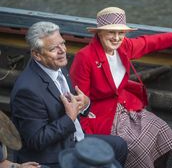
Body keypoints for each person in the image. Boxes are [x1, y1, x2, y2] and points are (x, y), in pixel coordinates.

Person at [70, 7, 172, 168]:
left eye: (121, 33)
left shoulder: (125, 46)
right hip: (99, 114)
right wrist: (86, 138)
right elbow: (80, 101)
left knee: (162, 128)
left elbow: (150, 42)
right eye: (111, 33)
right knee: (137, 147)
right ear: (99, 33)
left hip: (126, 105)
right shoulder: (85, 57)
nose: (117, 38)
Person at [10, 21, 128, 168]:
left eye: (62, 43)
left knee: (119, 145)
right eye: (54, 48)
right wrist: (69, 118)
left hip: (73, 138)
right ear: (36, 54)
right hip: (50, 155)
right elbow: (36, 141)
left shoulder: (57, 65)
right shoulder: (27, 91)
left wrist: (85, 104)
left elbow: (74, 104)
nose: (62, 50)